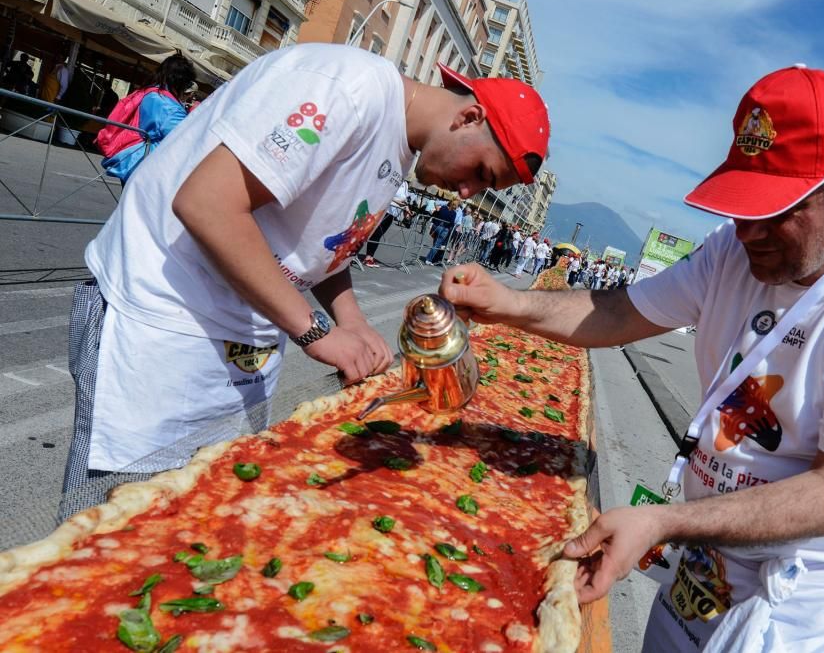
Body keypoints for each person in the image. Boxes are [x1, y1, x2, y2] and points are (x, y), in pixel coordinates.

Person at [438, 65, 824, 652]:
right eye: (743, 206)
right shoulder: (730, 250)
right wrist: (510, 302)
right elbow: (622, 313)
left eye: (777, 210)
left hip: (799, 609)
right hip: (700, 563)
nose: (748, 232)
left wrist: (663, 521)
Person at [64, 44, 549, 516]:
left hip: (241, 334)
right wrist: (316, 332)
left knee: (202, 519)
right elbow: (207, 203)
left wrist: (352, 321)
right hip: (161, 320)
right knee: (109, 537)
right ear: (470, 119)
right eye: (482, 173)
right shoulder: (346, 89)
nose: (468, 191)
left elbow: (324, 244)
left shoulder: (402, 146)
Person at [98, 54, 195, 182]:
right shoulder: (168, 105)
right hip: (150, 166)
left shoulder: (147, 92)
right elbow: (184, 139)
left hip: (131, 155)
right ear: (181, 81)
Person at [363, 180, 409, 267]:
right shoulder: (394, 179)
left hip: (392, 214)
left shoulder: (405, 184)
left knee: (378, 235)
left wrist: (407, 210)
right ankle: (366, 257)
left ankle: (370, 257)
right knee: (374, 233)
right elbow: (384, 193)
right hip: (384, 210)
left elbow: (405, 200)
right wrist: (396, 201)